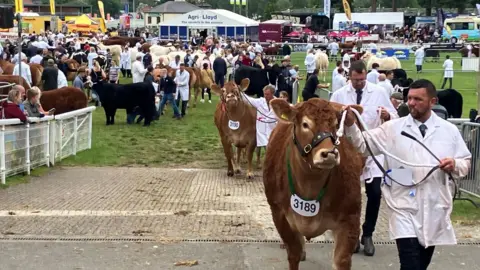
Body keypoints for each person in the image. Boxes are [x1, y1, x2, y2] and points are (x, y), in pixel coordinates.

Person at [342, 79, 471, 269]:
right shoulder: (393, 128)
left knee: (420, 263)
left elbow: (465, 162)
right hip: (402, 204)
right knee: (410, 262)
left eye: (418, 99)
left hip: (434, 205)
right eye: (409, 98)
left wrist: (454, 164)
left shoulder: (449, 131)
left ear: (432, 102)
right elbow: (362, 145)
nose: (411, 103)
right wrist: (351, 125)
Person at [330, 60, 398, 257]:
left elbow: (393, 115)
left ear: (366, 75)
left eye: (362, 79)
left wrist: (387, 115)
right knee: (348, 196)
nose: (359, 83)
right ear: (349, 76)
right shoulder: (339, 95)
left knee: (375, 193)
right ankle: (351, 234)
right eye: (355, 79)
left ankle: (368, 234)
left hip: (372, 149)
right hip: (349, 152)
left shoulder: (379, 92)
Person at [241, 85, 278, 151]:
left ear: (272, 94)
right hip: (263, 131)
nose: (265, 96)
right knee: (267, 149)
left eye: (267, 94)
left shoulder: (278, 103)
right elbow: (249, 100)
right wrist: (240, 92)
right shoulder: (260, 102)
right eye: (264, 94)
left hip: (274, 130)